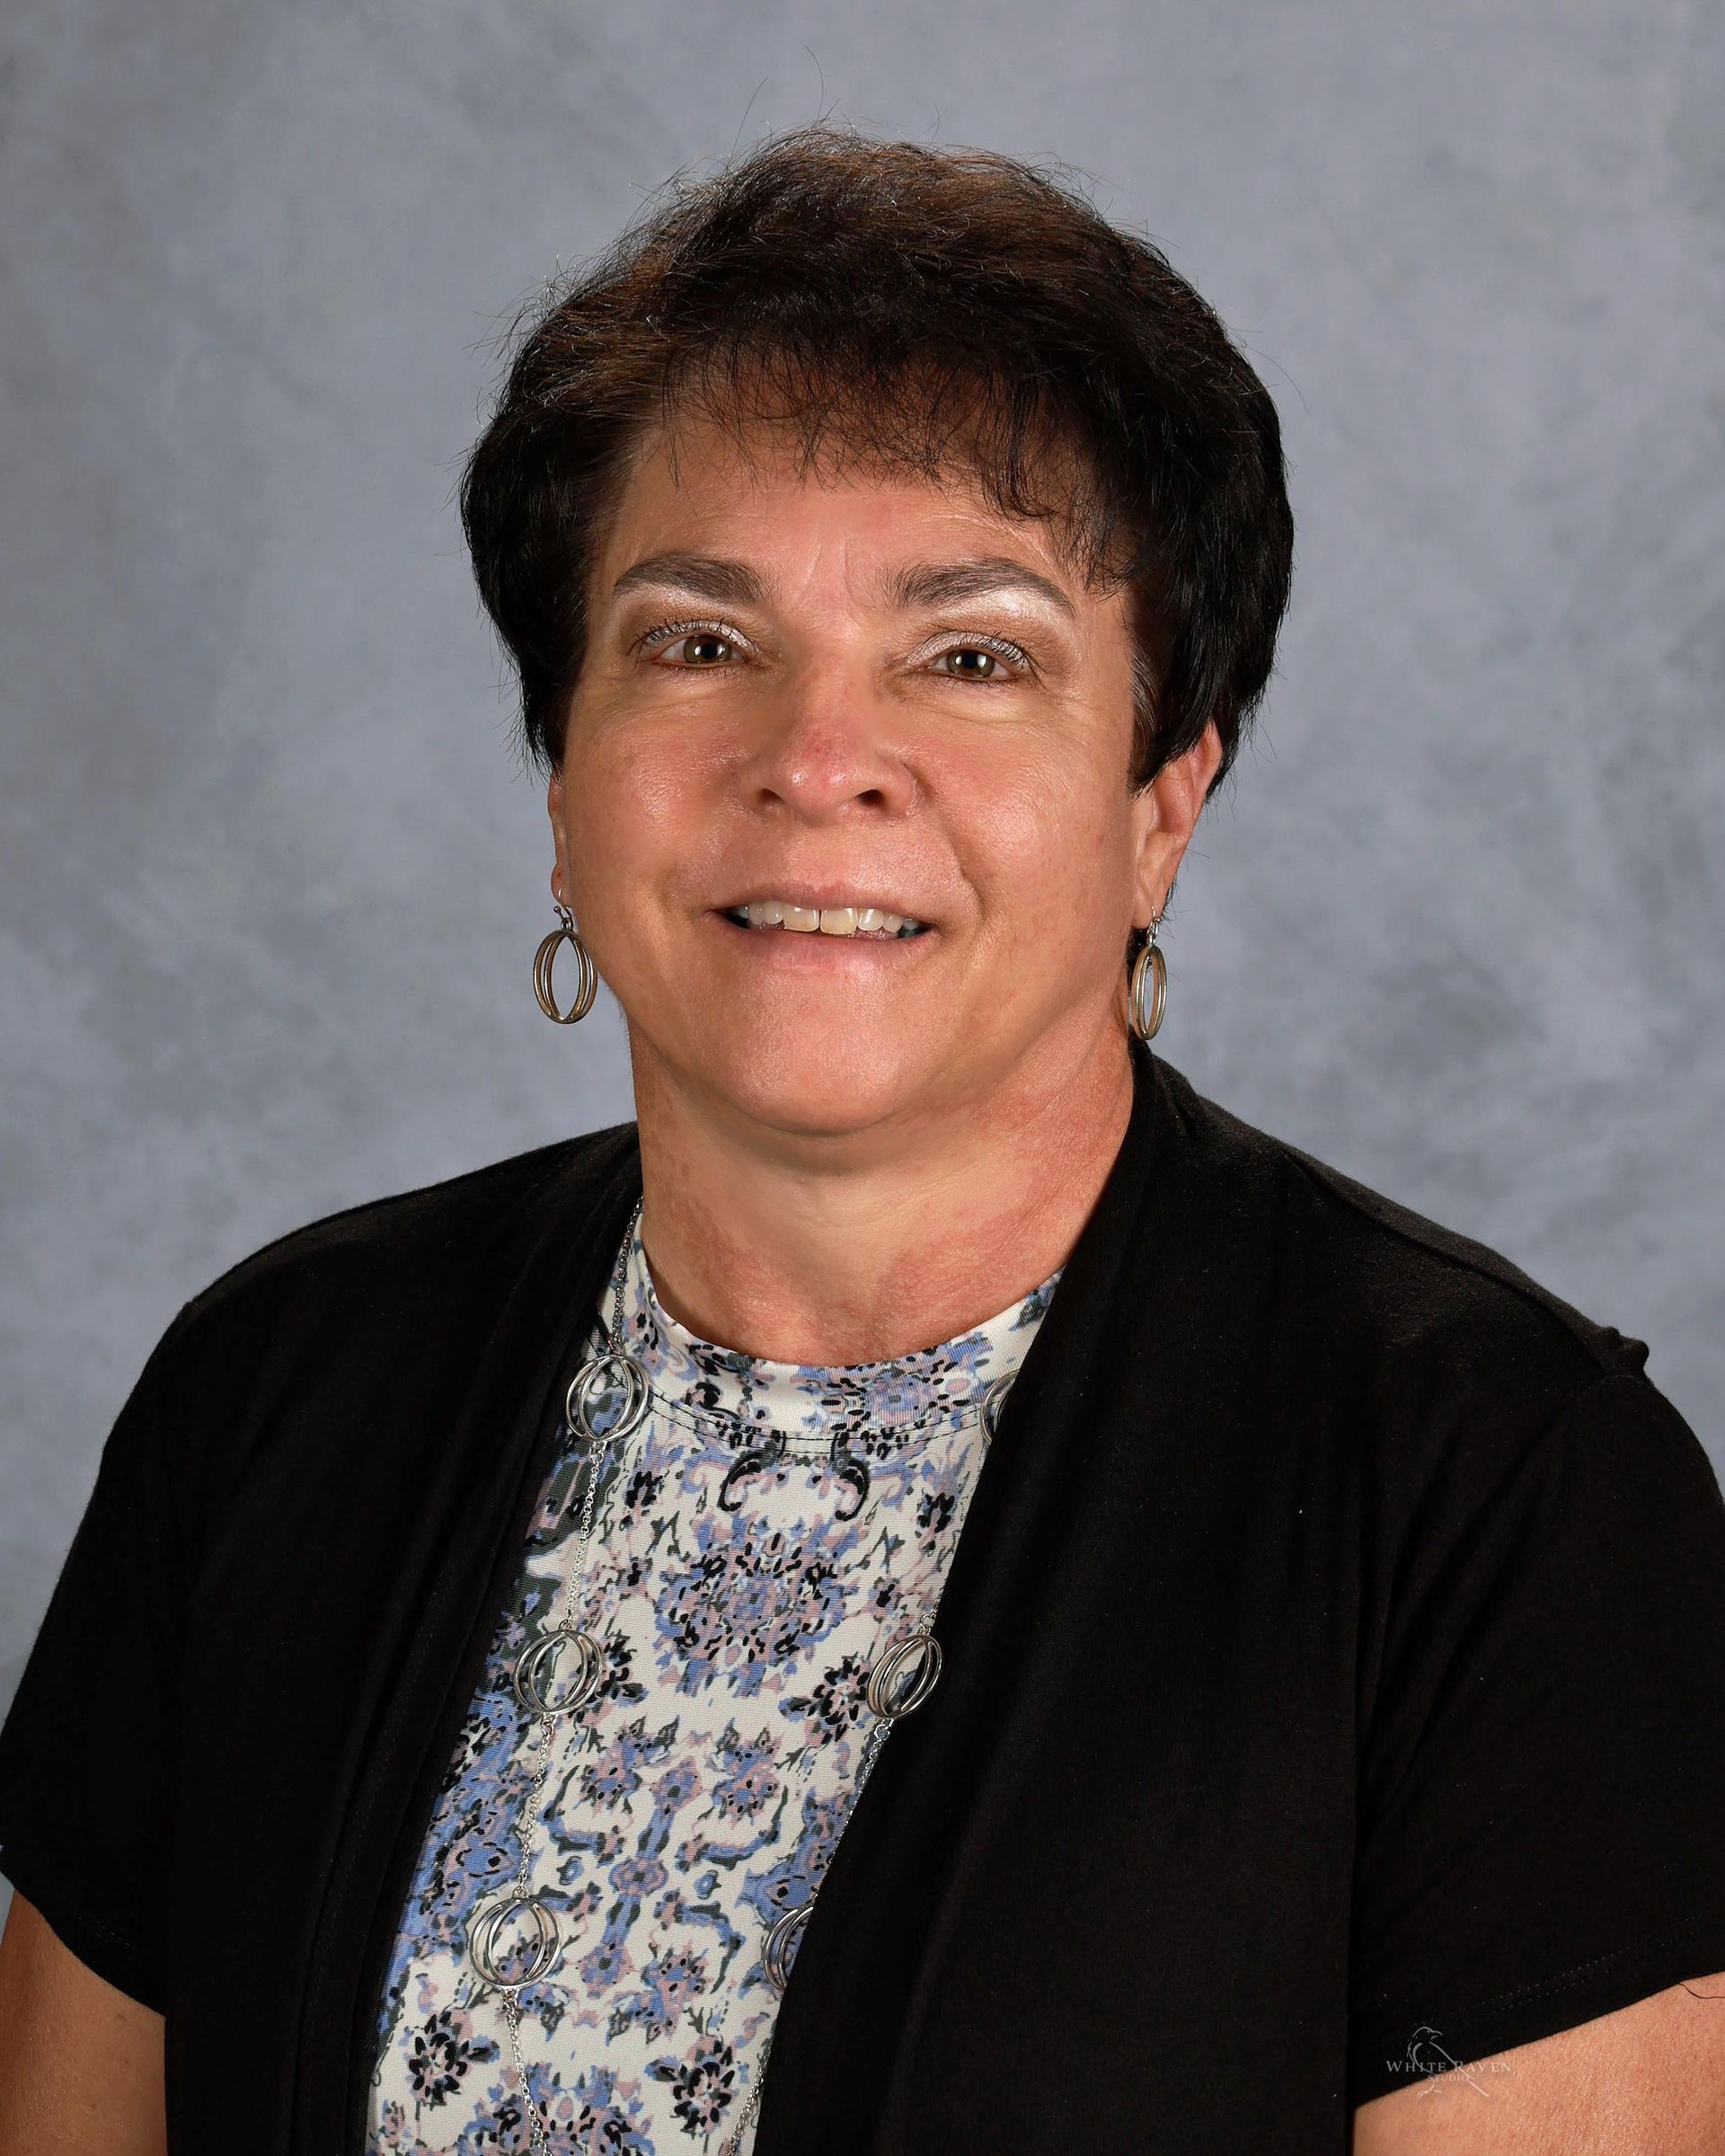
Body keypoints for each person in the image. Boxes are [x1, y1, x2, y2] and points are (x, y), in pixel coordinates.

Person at [1, 126, 1722, 2156]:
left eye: (972, 655)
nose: (818, 766)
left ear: (1163, 796)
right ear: (563, 770)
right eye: (698, 642)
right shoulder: (273, 1395)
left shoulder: (1498, 1495)